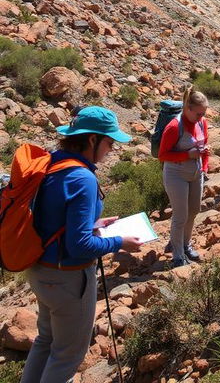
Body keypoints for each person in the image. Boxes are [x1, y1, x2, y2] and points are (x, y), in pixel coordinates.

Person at [20, 106, 142, 383]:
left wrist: (94, 224)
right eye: (109, 142)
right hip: (67, 278)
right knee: (67, 355)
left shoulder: (53, 162)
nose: (111, 149)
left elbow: (54, 217)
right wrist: (118, 242)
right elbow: (80, 246)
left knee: (46, 341)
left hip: (40, 270)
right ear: (92, 140)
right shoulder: (82, 178)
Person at [158, 85, 209, 268]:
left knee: (194, 211)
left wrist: (204, 165)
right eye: (198, 114)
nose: (201, 118)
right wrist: (188, 155)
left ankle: (185, 244)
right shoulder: (174, 127)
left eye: (203, 113)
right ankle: (178, 256)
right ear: (187, 109)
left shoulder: (202, 123)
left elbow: (204, 146)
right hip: (176, 174)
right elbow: (162, 155)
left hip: (196, 172)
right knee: (180, 215)